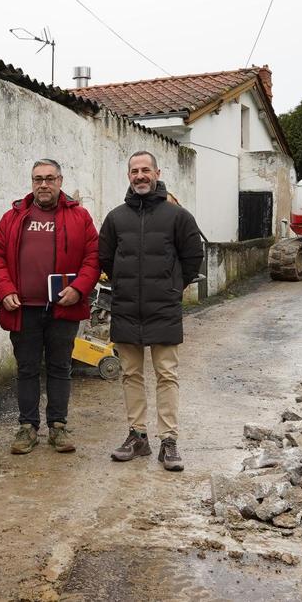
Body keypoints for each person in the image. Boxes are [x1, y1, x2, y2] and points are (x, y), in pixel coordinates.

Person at [98, 151, 203, 472]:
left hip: (164, 307)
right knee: (130, 374)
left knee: (166, 375)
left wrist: (173, 287)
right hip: (127, 308)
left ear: (157, 172)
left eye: (146, 170)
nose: (140, 175)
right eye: (134, 171)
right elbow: (105, 258)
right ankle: (138, 436)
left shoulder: (177, 216)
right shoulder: (115, 218)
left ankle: (168, 441)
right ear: (128, 176)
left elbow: (193, 256)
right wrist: (126, 286)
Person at [0, 159, 100, 454]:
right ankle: (27, 428)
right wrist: (5, 290)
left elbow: (93, 257)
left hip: (64, 308)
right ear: (32, 182)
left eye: (50, 178)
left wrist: (79, 289)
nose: (44, 184)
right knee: (26, 368)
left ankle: (58, 428)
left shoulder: (80, 217)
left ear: (60, 181)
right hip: (24, 309)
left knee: (61, 367)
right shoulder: (13, 217)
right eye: (38, 179)